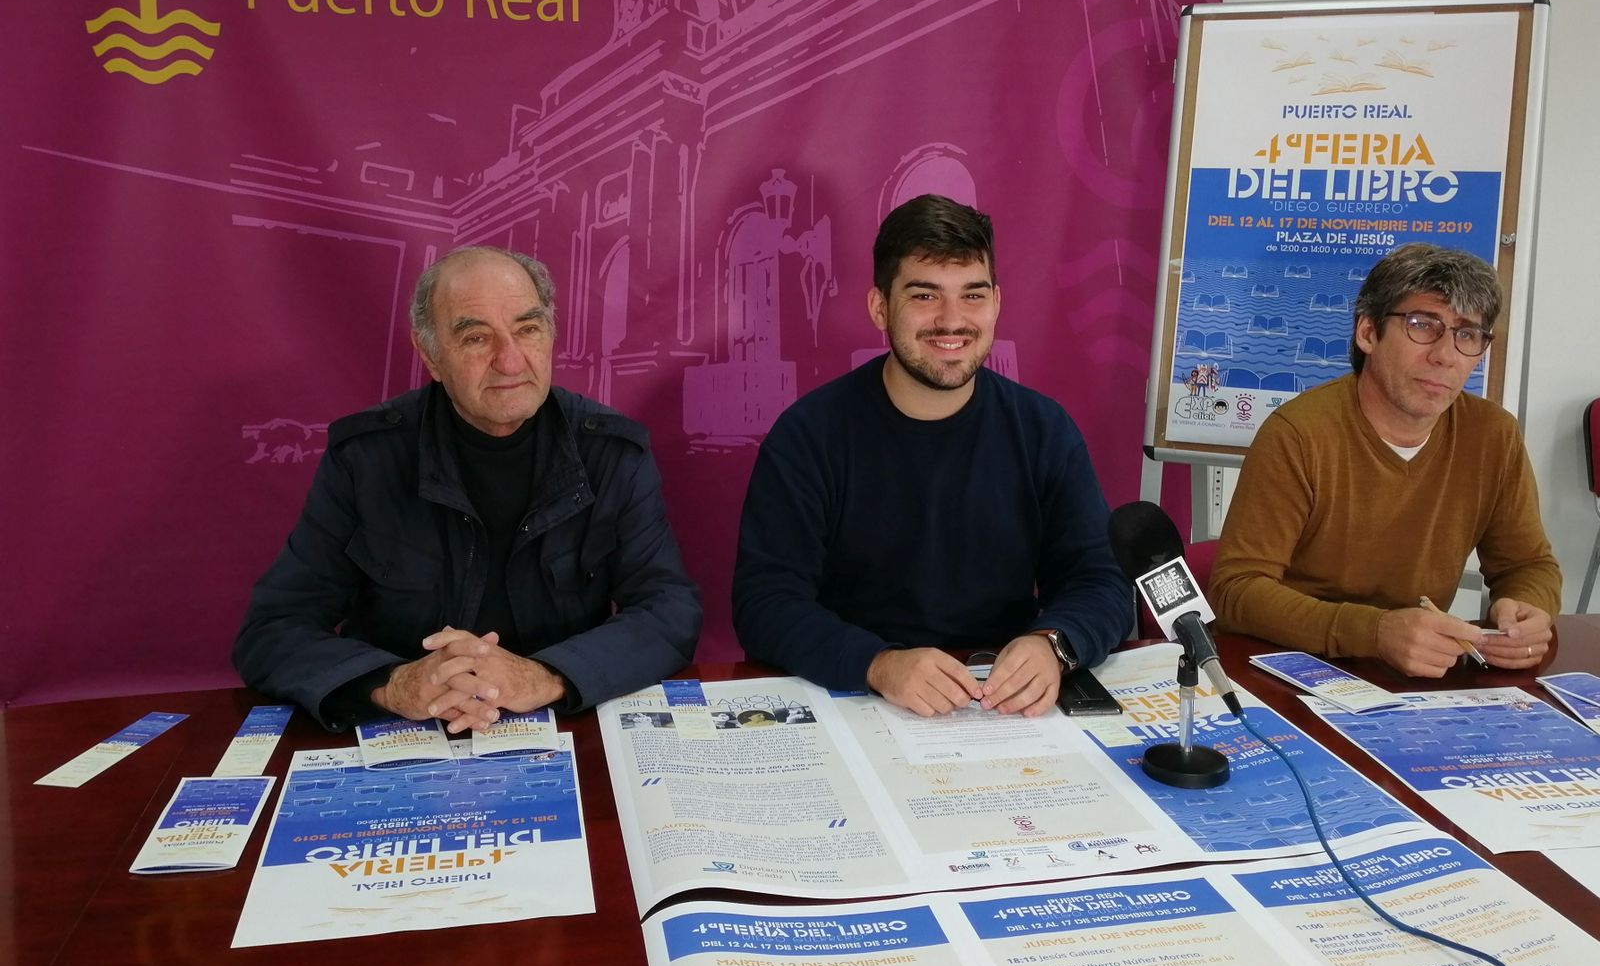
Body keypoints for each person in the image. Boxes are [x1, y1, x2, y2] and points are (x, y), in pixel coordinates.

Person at [234, 246, 701, 731]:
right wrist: (393, 685)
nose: (510, 360)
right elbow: (273, 628)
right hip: (407, 727)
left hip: (561, 722)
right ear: (430, 355)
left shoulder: (611, 452)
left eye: (528, 329)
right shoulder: (366, 457)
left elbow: (668, 610)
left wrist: (545, 677)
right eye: (477, 337)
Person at [732, 194, 1132, 718]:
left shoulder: (1042, 429)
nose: (952, 320)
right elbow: (765, 603)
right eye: (924, 295)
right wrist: (878, 664)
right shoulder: (809, 435)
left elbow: (1101, 581)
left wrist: (1054, 644)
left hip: (999, 705)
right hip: (854, 698)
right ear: (880, 306)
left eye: (973, 295)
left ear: (996, 303)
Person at [1210, 243, 1561, 677]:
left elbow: (1528, 565)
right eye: (1422, 325)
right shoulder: (1299, 434)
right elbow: (1235, 592)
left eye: (1466, 334)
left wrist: (1523, 608)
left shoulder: (1493, 435)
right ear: (1368, 333)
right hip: (1292, 667)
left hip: (1419, 676)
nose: (1446, 355)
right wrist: (1374, 632)